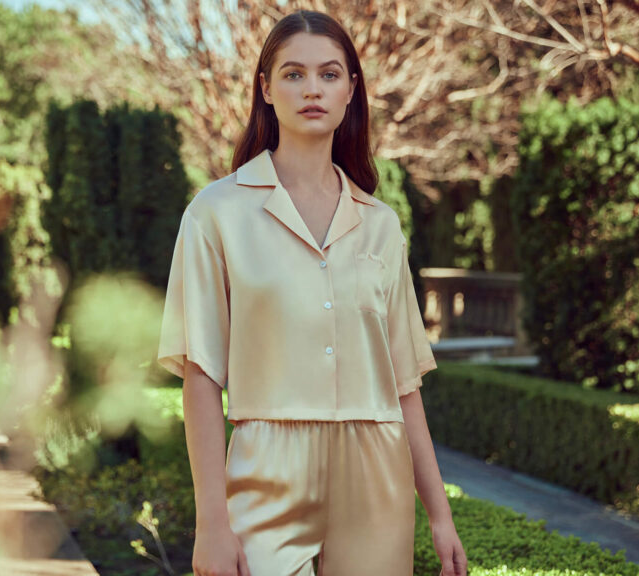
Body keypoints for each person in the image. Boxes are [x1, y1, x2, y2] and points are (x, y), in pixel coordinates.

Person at [158, 9, 468, 576]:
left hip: (377, 474)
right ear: (266, 89)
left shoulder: (381, 225)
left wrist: (440, 515)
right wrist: (212, 525)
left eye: (329, 74)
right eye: (293, 74)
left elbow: (404, 386)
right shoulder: (216, 213)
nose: (312, 89)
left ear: (351, 89)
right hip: (267, 467)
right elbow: (201, 375)